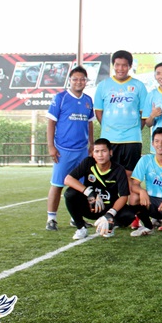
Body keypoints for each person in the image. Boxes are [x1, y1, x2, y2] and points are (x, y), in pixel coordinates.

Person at [45, 66, 94, 231]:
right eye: (75, 79)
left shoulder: (88, 100)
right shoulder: (60, 98)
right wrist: (51, 146)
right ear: (70, 81)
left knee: (80, 187)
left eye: (82, 79)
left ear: (86, 81)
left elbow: (90, 123)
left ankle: (76, 218)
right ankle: (51, 219)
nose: (79, 82)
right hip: (63, 150)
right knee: (57, 184)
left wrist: (92, 144)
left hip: (82, 150)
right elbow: (51, 122)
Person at [64, 138, 135, 240]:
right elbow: (68, 179)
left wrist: (111, 213)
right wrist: (89, 192)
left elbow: (124, 196)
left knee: (129, 214)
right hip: (91, 206)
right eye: (97, 151)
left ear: (110, 152)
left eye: (103, 151)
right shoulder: (88, 163)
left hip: (108, 207)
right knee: (70, 193)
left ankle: (110, 223)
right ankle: (81, 228)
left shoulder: (118, 169)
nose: (100, 155)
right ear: (93, 153)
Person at [93, 50, 147, 181]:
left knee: (131, 177)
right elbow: (99, 111)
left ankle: (130, 196)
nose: (120, 69)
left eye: (124, 65)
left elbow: (144, 114)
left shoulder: (139, 86)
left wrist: (134, 129)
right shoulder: (103, 85)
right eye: (117, 65)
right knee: (110, 177)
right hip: (110, 139)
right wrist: (108, 126)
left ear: (130, 66)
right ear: (113, 65)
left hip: (132, 140)